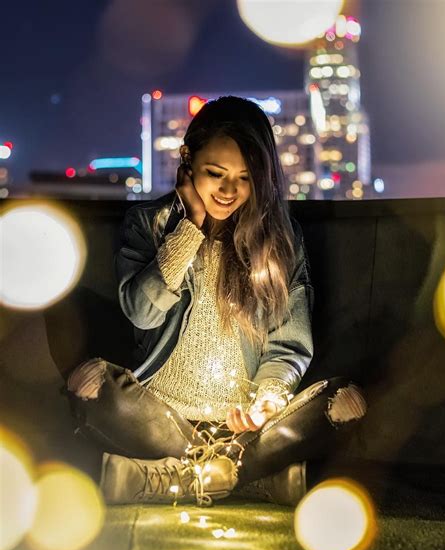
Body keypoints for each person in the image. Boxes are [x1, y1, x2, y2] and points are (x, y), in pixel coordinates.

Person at [67, 96, 367, 506]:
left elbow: (289, 345)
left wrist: (268, 400)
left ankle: (173, 477)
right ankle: (248, 477)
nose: (229, 191)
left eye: (245, 178)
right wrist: (190, 226)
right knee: (90, 384)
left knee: (344, 402)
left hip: (247, 431)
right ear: (187, 161)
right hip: (163, 421)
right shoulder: (148, 224)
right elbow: (141, 310)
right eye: (215, 173)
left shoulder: (280, 239)